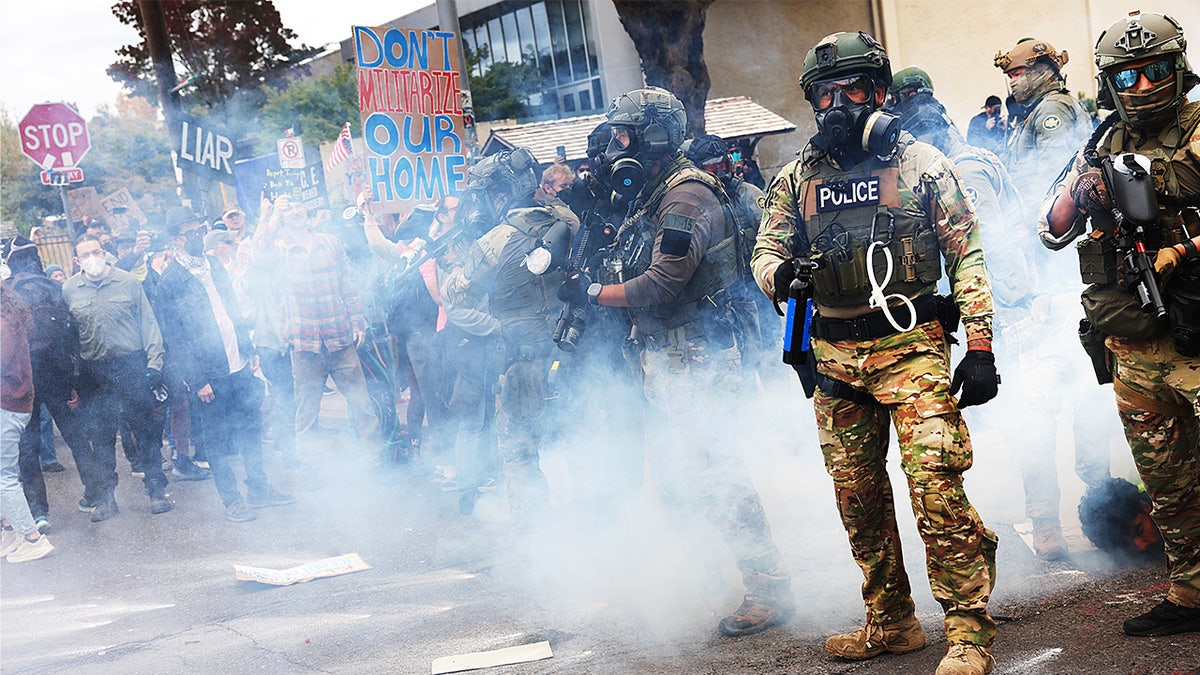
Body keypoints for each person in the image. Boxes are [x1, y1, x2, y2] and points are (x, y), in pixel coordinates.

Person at [753, 32, 999, 674]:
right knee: (857, 497)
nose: (838, 103)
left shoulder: (924, 166)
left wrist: (979, 347)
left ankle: (968, 629)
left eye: (852, 89)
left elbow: (967, 255)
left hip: (913, 347)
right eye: (823, 93)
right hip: (834, 355)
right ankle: (891, 622)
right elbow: (766, 251)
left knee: (934, 485)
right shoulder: (798, 176)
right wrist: (784, 280)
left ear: (881, 93)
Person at [558, 86, 793, 638]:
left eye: (625, 135)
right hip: (670, 353)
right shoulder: (657, 191)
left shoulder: (686, 197)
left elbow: (663, 282)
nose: (617, 147)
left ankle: (767, 584)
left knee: (715, 473)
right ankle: (715, 580)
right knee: (679, 478)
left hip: (697, 353)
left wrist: (593, 293)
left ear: (655, 135)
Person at [1038, 10, 1200, 637]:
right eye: (1126, 76)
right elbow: (1051, 230)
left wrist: (1181, 249)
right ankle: (1190, 590)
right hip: (1133, 338)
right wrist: (1082, 187)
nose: (1140, 87)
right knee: (1167, 479)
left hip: (1194, 328)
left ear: (1178, 68)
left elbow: (1186, 176)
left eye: (1154, 71)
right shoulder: (1100, 144)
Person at [439, 148, 578, 527]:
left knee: (519, 451)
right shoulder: (568, 217)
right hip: (572, 350)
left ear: (501, 195)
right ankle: (593, 528)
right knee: (578, 442)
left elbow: (455, 293)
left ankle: (537, 537)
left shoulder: (495, 239)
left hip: (523, 360)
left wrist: (457, 260)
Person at [153, 208, 294, 522]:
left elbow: (231, 307)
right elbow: (174, 338)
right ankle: (232, 501)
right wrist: (197, 379)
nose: (197, 235)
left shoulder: (214, 264)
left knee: (249, 429)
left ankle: (259, 488)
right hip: (209, 375)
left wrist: (247, 346)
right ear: (176, 238)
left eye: (199, 229)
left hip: (239, 364)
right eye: (191, 231)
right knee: (217, 440)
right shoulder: (170, 282)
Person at [247, 196, 378, 479]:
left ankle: (373, 459)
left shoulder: (329, 242)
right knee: (307, 413)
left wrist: (357, 321)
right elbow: (256, 257)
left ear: (306, 212)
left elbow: (347, 284)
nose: (295, 213)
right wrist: (269, 219)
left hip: (340, 337)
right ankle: (310, 470)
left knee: (362, 404)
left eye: (297, 207)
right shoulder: (279, 250)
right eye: (289, 210)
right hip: (305, 344)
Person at [62, 234, 171, 520]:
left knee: (145, 431)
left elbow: (149, 323)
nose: (92, 259)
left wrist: (154, 364)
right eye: (84, 255)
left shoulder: (129, 282)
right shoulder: (70, 289)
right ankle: (107, 498)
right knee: (100, 437)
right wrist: (73, 377)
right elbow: (70, 336)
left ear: (105, 252)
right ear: (77, 261)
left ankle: (156, 490)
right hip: (94, 371)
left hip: (130, 364)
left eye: (96, 252)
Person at [994, 36, 1094, 201]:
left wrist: (1030, 219)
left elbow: (1052, 172)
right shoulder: (1036, 109)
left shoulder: (1052, 108)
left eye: (1017, 74)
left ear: (1040, 72)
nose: (1012, 83)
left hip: (1044, 213)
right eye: (1010, 77)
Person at [0, 281, 54, 562]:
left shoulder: (3, 323)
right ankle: (10, 532)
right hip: (11, 404)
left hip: (6, 405)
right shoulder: (8, 315)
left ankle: (32, 538)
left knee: (4, 478)